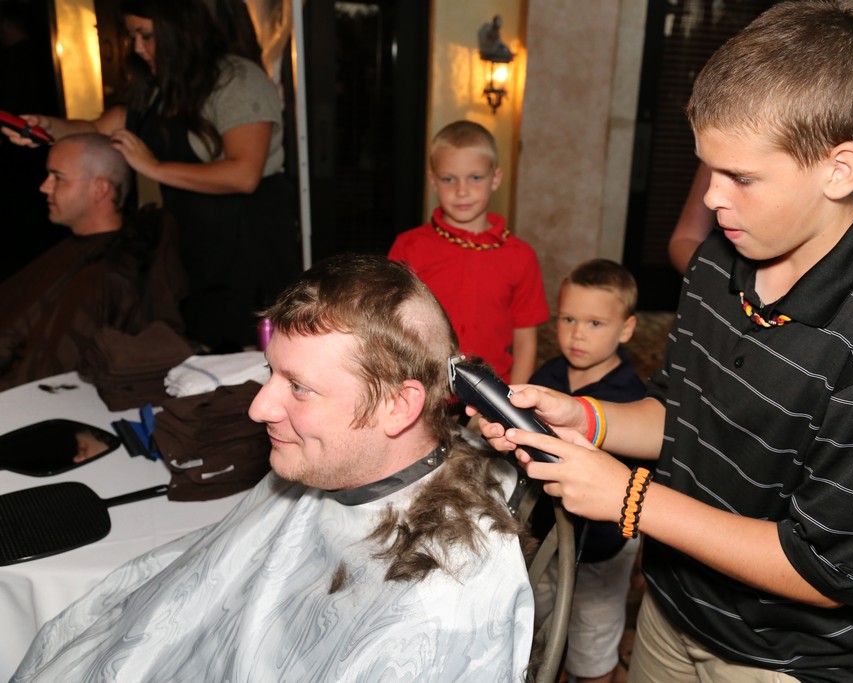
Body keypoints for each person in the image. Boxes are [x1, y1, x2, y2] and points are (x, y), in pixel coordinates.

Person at [477, 2, 853, 680]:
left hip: (782, 661)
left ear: (840, 169)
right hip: (670, 611)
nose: (711, 200)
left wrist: (630, 500)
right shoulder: (718, 261)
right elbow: (680, 413)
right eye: (708, 171)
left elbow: (828, 569)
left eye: (741, 178)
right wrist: (588, 418)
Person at [12, 254, 534, 682]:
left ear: (398, 406)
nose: (259, 408)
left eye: (299, 387)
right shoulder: (334, 462)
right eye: (272, 373)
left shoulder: (438, 611)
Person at [2, 0, 299, 351]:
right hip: (195, 241)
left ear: (180, 32)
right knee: (202, 344)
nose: (138, 48)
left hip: (248, 241)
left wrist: (152, 167)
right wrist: (45, 127)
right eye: (133, 36)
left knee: (255, 350)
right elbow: (95, 129)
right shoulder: (160, 90)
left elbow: (244, 174)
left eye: (146, 36)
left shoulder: (238, 80)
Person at [530, 258, 646, 683]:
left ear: (626, 329)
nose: (578, 334)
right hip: (543, 535)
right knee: (542, 637)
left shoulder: (634, 400)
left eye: (595, 323)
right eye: (568, 319)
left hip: (603, 549)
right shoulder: (547, 376)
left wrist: (643, 556)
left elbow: (649, 485)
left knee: (592, 649)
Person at [0, 132, 186, 390]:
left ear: (100, 189)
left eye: (57, 177)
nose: (44, 187)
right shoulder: (72, 253)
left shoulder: (114, 274)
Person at [388, 120, 549, 385]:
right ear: (433, 181)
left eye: (475, 178)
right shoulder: (409, 246)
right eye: (449, 179)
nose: (461, 191)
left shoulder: (521, 256)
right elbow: (390, 326)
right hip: (423, 387)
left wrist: (512, 400)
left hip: (492, 388)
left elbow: (525, 343)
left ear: (495, 178)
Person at [670, 140, 853, 274]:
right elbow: (684, 239)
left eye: (742, 178)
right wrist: (729, 288)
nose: (712, 198)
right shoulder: (728, 139)